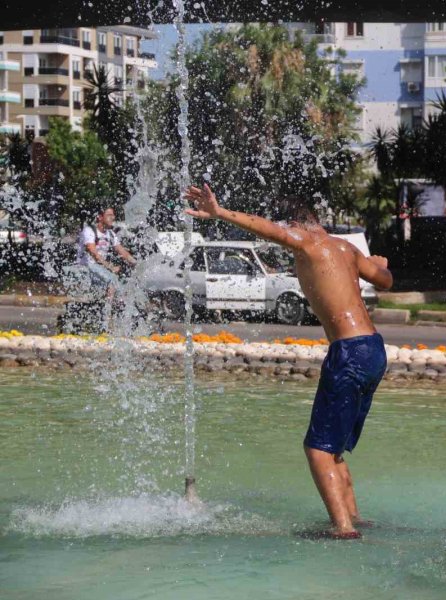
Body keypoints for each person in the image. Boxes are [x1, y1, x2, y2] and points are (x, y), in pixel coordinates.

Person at [184, 183, 392, 540]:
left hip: (348, 352)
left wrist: (220, 213)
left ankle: (342, 529)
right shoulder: (346, 249)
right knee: (335, 447)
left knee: (317, 449)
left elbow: (268, 228)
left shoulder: (307, 242)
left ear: (298, 224)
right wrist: (378, 264)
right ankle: (354, 518)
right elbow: (385, 281)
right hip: (374, 348)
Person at [77, 207, 137, 300]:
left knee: (123, 287)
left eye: (113, 215)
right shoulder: (89, 230)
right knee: (112, 281)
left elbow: (122, 251)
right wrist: (110, 267)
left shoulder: (111, 234)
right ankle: (107, 314)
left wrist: (136, 263)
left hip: (100, 268)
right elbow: (93, 253)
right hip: (86, 267)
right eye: (109, 215)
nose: (113, 218)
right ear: (100, 217)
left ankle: (118, 310)